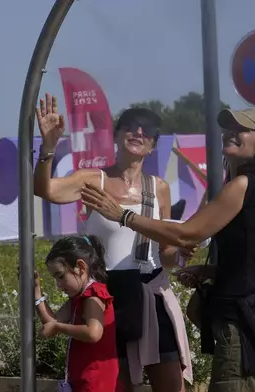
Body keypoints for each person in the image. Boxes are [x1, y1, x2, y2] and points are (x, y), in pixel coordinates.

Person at [82, 108, 255, 392]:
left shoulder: (243, 184)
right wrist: (211, 270)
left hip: (244, 322)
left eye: (242, 129)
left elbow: (187, 232)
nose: (231, 133)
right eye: (229, 128)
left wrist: (123, 216)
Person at [33, 93, 193, 392]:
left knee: (170, 383)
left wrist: (182, 255)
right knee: (115, 385)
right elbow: (44, 189)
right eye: (131, 127)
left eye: (146, 131)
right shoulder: (94, 180)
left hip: (151, 292)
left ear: (153, 144)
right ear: (117, 135)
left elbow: (165, 252)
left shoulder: (159, 188)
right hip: (107, 296)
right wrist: (49, 147)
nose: (138, 133)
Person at [34, 235, 118, 392]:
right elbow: (51, 321)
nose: (58, 285)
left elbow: (93, 332)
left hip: (96, 381)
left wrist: (58, 328)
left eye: (60, 276)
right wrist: (36, 291)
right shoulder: (78, 297)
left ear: (80, 267)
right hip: (82, 378)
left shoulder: (93, 294)